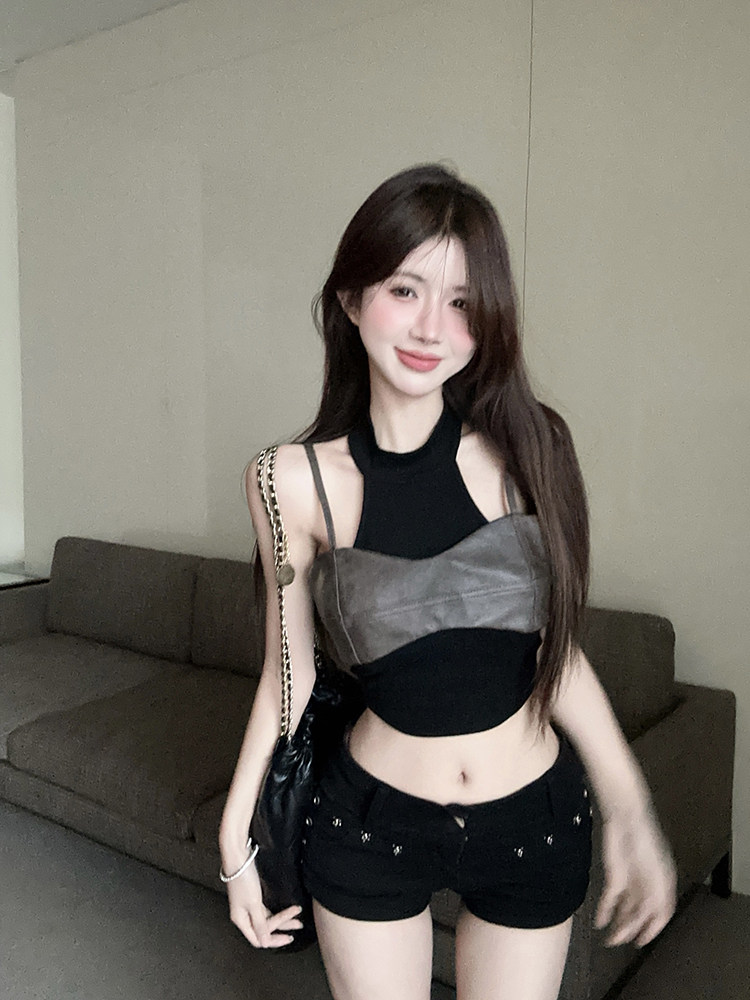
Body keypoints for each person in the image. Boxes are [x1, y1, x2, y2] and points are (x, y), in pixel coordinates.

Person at [219, 163, 677, 1000]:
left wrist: (630, 806)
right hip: (371, 822)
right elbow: (290, 674)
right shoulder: (287, 480)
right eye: (405, 289)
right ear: (352, 298)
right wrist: (236, 830)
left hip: (533, 821)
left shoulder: (532, 446)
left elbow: (556, 655)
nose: (433, 326)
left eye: (463, 301)